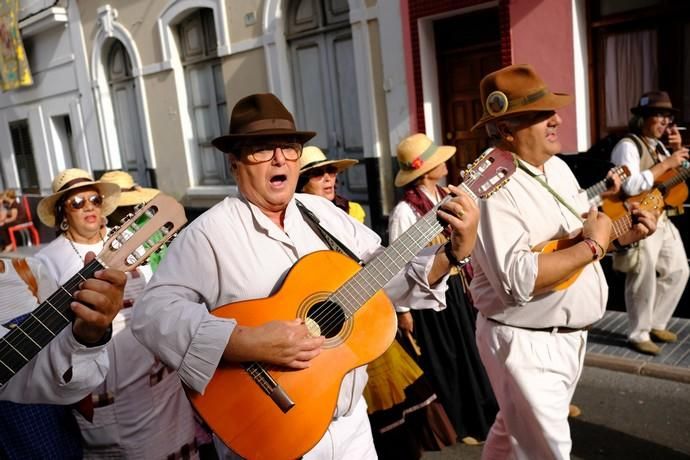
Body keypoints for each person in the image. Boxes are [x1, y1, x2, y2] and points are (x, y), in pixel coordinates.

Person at [131, 92, 479, 459]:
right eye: (262, 149)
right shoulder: (209, 234)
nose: (279, 158)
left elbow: (382, 279)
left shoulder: (324, 215)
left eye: (289, 147)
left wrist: (452, 254)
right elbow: (152, 314)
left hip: (352, 430)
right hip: (271, 432)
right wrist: (242, 341)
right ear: (235, 163)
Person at [469, 64, 658, 459]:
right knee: (549, 452)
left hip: (562, 338)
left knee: (510, 435)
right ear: (506, 128)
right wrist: (594, 247)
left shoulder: (554, 166)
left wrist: (622, 236)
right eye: (541, 114)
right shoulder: (491, 182)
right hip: (526, 343)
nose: (557, 118)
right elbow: (518, 280)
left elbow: (577, 239)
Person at [35, 168, 200, 459]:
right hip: (108, 392)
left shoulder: (127, 237)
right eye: (76, 202)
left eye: (94, 199)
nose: (88, 206)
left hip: (160, 381)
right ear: (62, 213)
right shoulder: (44, 262)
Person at [389, 133, 498, 445]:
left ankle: (482, 415)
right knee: (446, 360)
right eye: (438, 161)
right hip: (428, 295)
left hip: (455, 289)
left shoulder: (443, 197)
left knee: (470, 352)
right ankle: (458, 423)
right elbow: (397, 264)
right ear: (425, 170)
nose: (445, 164)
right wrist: (403, 311)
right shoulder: (405, 212)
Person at [610, 91, 690, 355]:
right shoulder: (628, 145)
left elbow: (674, 178)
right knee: (642, 276)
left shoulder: (660, 146)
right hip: (641, 217)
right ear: (643, 118)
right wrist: (666, 162)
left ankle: (656, 322)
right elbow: (630, 185)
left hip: (662, 216)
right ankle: (639, 333)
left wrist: (677, 152)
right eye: (660, 115)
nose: (665, 121)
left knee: (679, 270)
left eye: (668, 116)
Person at [297, 145, 366, 223]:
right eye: (317, 173)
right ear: (302, 185)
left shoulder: (351, 210)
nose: (328, 178)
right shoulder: (292, 217)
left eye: (331, 170)